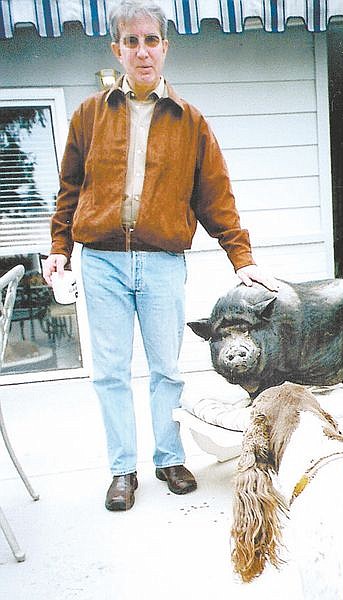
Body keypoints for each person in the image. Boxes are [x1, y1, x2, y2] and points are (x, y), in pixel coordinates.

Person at [42, 0, 278, 512]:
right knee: (109, 370)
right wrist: (59, 247)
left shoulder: (190, 122)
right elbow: (69, 191)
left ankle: (169, 457)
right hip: (100, 262)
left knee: (166, 369)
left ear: (165, 47)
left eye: (152, 41)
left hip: (163, 263)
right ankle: (121, 470)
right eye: (132, 42)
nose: (143, 51)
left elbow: (216, 197)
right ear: (117, 50)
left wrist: (243, 259)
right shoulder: (88, 115)